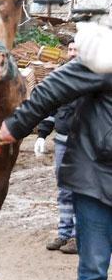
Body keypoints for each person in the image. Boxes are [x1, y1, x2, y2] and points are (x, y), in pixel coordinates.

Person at [0, 53, 112, 280]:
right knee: (94, 268)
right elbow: (55, 86)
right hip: (98, 177)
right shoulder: (104, 56)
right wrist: (18, 124)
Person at [36, 41, 78, 254]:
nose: (72, 53)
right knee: (63, 190)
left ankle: (78, 236)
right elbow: (51, 107)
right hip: (62, 140)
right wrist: (42, 135)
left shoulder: (95, 77)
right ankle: (64, 233)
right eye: (69, 49)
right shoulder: (61, 77)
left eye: (76, 49)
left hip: (84, 144)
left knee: (80, 189)